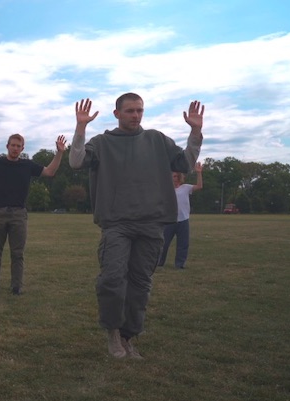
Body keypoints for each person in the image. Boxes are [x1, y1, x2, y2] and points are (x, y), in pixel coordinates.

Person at [69, 94, 204, 359]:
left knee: (141, 284)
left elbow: (186, 163)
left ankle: (129, 336)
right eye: (130, 111)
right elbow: (75, 161)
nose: (136, 115)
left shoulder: (156, 140)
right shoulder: (102, 143)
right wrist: (81, 128)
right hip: (116, 223)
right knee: (112, 278)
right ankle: (113, 332)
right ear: (116, 113)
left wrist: (196, 132)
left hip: (152, 223)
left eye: (140, 110)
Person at [0, 131, 67, 294]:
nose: (15, 148)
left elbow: (50, 172)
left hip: (18, 214)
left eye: (18, 146)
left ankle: (16, 286)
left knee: (18, 253)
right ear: (7, 146)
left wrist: (60, 153)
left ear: (22, 148)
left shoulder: (27, 166)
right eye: (12, 145)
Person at [159, 161, 203, 269]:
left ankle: (179, 264)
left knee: (183, 244)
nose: (173, 178)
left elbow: (199, 186)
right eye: (172, 176)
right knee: (163, 243)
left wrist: (199, 173)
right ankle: (159, 262)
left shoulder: (185, 188)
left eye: (175, 176)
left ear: (179, 177)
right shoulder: (166, 189)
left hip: (183, 220)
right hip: (169, 220)